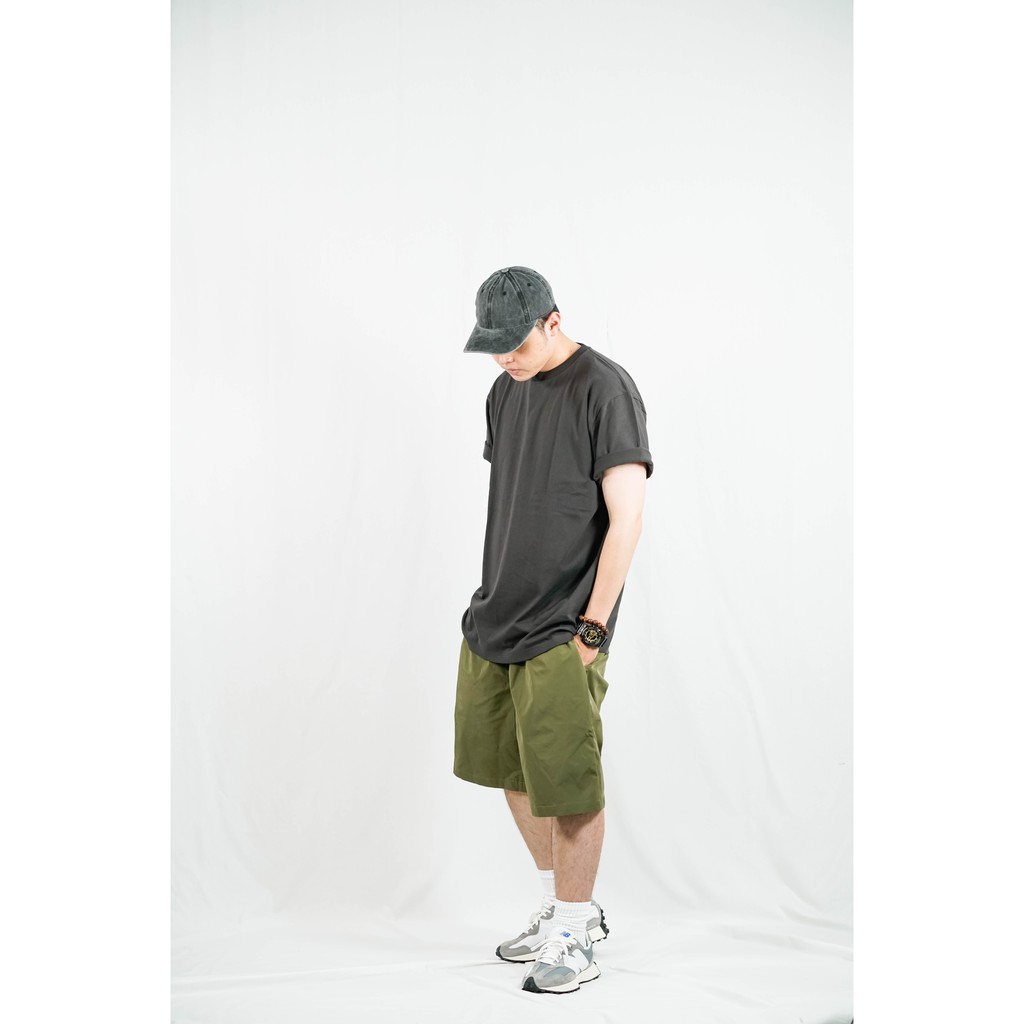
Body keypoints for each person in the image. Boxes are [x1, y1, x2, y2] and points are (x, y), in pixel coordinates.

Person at [453, 265, 654, 995]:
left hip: (564, 625)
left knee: (567, 785)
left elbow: (626, 519)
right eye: (494, 347)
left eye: (518, 343)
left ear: (554, 321)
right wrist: (487, 601)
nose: (506, 358)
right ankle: (560, 907)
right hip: (496, 616)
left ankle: (576, 931)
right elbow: (520, 497)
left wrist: (592, 630)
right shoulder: (504, 391)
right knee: (510, 772)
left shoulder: (605, 389)